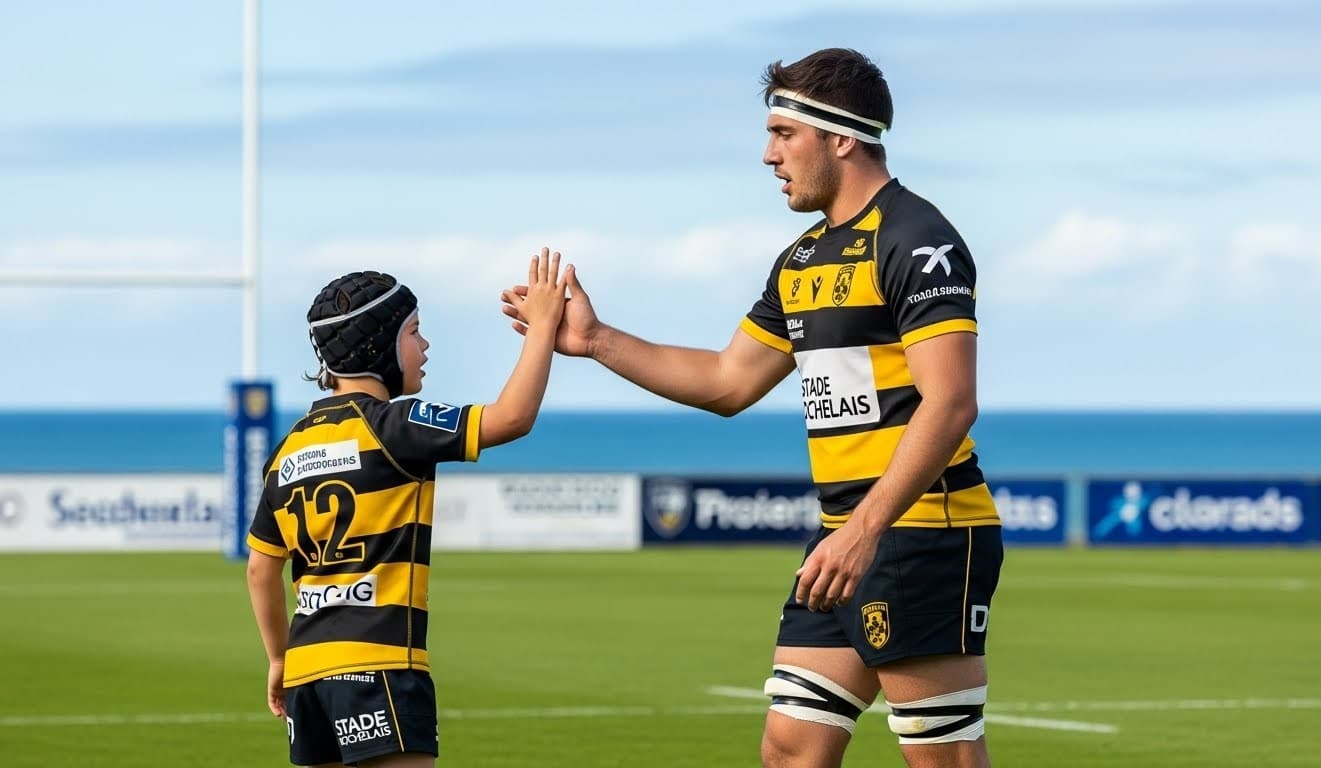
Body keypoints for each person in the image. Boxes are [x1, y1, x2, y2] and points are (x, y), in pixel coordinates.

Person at [502, 49, 1003, 767]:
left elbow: (951, 402)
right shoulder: (801, 260)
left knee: (940, 758)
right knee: (790, 750)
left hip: (919, 531)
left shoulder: (915, 240)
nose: (768, 155)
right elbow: (727, 381)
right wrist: (597, 340)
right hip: (842, 537)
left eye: (782, 134)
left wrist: (865, 530)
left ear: (840, 136)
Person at [246, 249, 568, 768]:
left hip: (307, 678)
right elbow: (511, 418)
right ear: (378, 345)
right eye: (414, 331)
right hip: (381, 666)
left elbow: (262, 568)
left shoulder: (288, 452)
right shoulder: (395, 425)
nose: (425, 345)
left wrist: (280, 658)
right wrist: (544, 327)